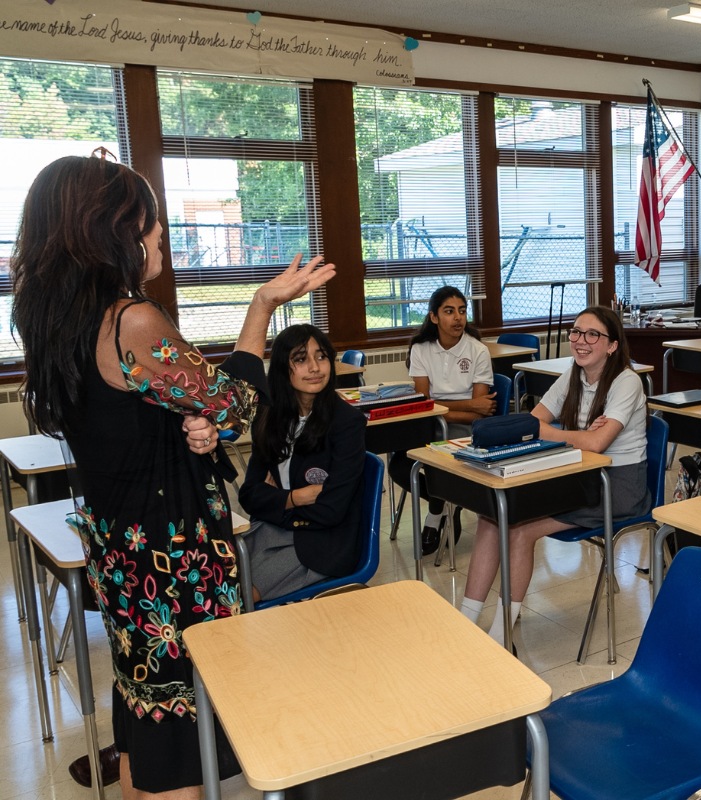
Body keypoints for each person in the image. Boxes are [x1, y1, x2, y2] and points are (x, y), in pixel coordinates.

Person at [11, 153, 335, 798]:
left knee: (146, 700)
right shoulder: (129, 318)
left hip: (121, 540)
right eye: (146, 218)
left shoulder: (57, 315)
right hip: (169, 552)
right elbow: (237, 402)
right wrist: (262, 306)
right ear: (111, 228)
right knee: (180, 728)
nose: (158, 231)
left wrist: (192, 428)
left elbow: (139, 416)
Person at [459, 306, 651, 643]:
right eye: (576, 332)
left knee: (519, 530)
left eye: (593, 335)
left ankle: (500, 637)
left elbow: (594, 441)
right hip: (580, 475)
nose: (581, 341)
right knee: (492, 516)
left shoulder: (627, 382)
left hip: (618, 486)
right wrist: (567, 433)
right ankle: (464, 621)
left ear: (612, 345)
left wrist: (555, 432)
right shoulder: (572, 374)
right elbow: (531, 423)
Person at [238, 324, 366, 602]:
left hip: (322, 544)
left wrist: (276, 500)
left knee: (241, 596)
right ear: (284, 368)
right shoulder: (270, 417)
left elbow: (331, 511)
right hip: (273, 532)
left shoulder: (347, 423)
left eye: (321, 357)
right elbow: (249, 496)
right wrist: (297, 497)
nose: (315, 367)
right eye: (300, 359)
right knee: (214, 579)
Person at [390, 286, 496, 555]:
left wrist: (447, 408)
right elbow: (424, 405)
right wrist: (468, 403)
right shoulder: (421, 349)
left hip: (464, 429)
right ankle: (449, 503)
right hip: (430, 424)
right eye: (449, 311)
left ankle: (434, 516)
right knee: (398, 465)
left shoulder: (478, 351)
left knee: (438, 463)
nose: (458, 318)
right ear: (434, 317)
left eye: (462, 311)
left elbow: (479, 414)